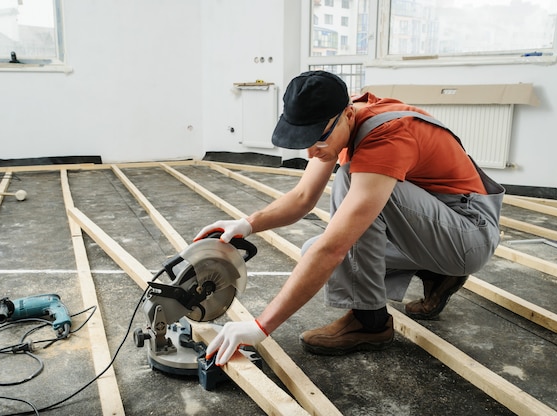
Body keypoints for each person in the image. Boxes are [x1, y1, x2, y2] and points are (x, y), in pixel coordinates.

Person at [195, 70, 504, 366]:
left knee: (348, 188)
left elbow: (334, 249)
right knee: (313, 250)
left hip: (468, 236)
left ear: (347, 114)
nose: (310, 152)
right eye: (304, 140)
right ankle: (437, 274)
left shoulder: (387, 136)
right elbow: (303, 198)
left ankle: (370, 323)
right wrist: (247, 224)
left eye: (317, 139)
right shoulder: (341, 121)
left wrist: (260, 327)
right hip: (434, 231)